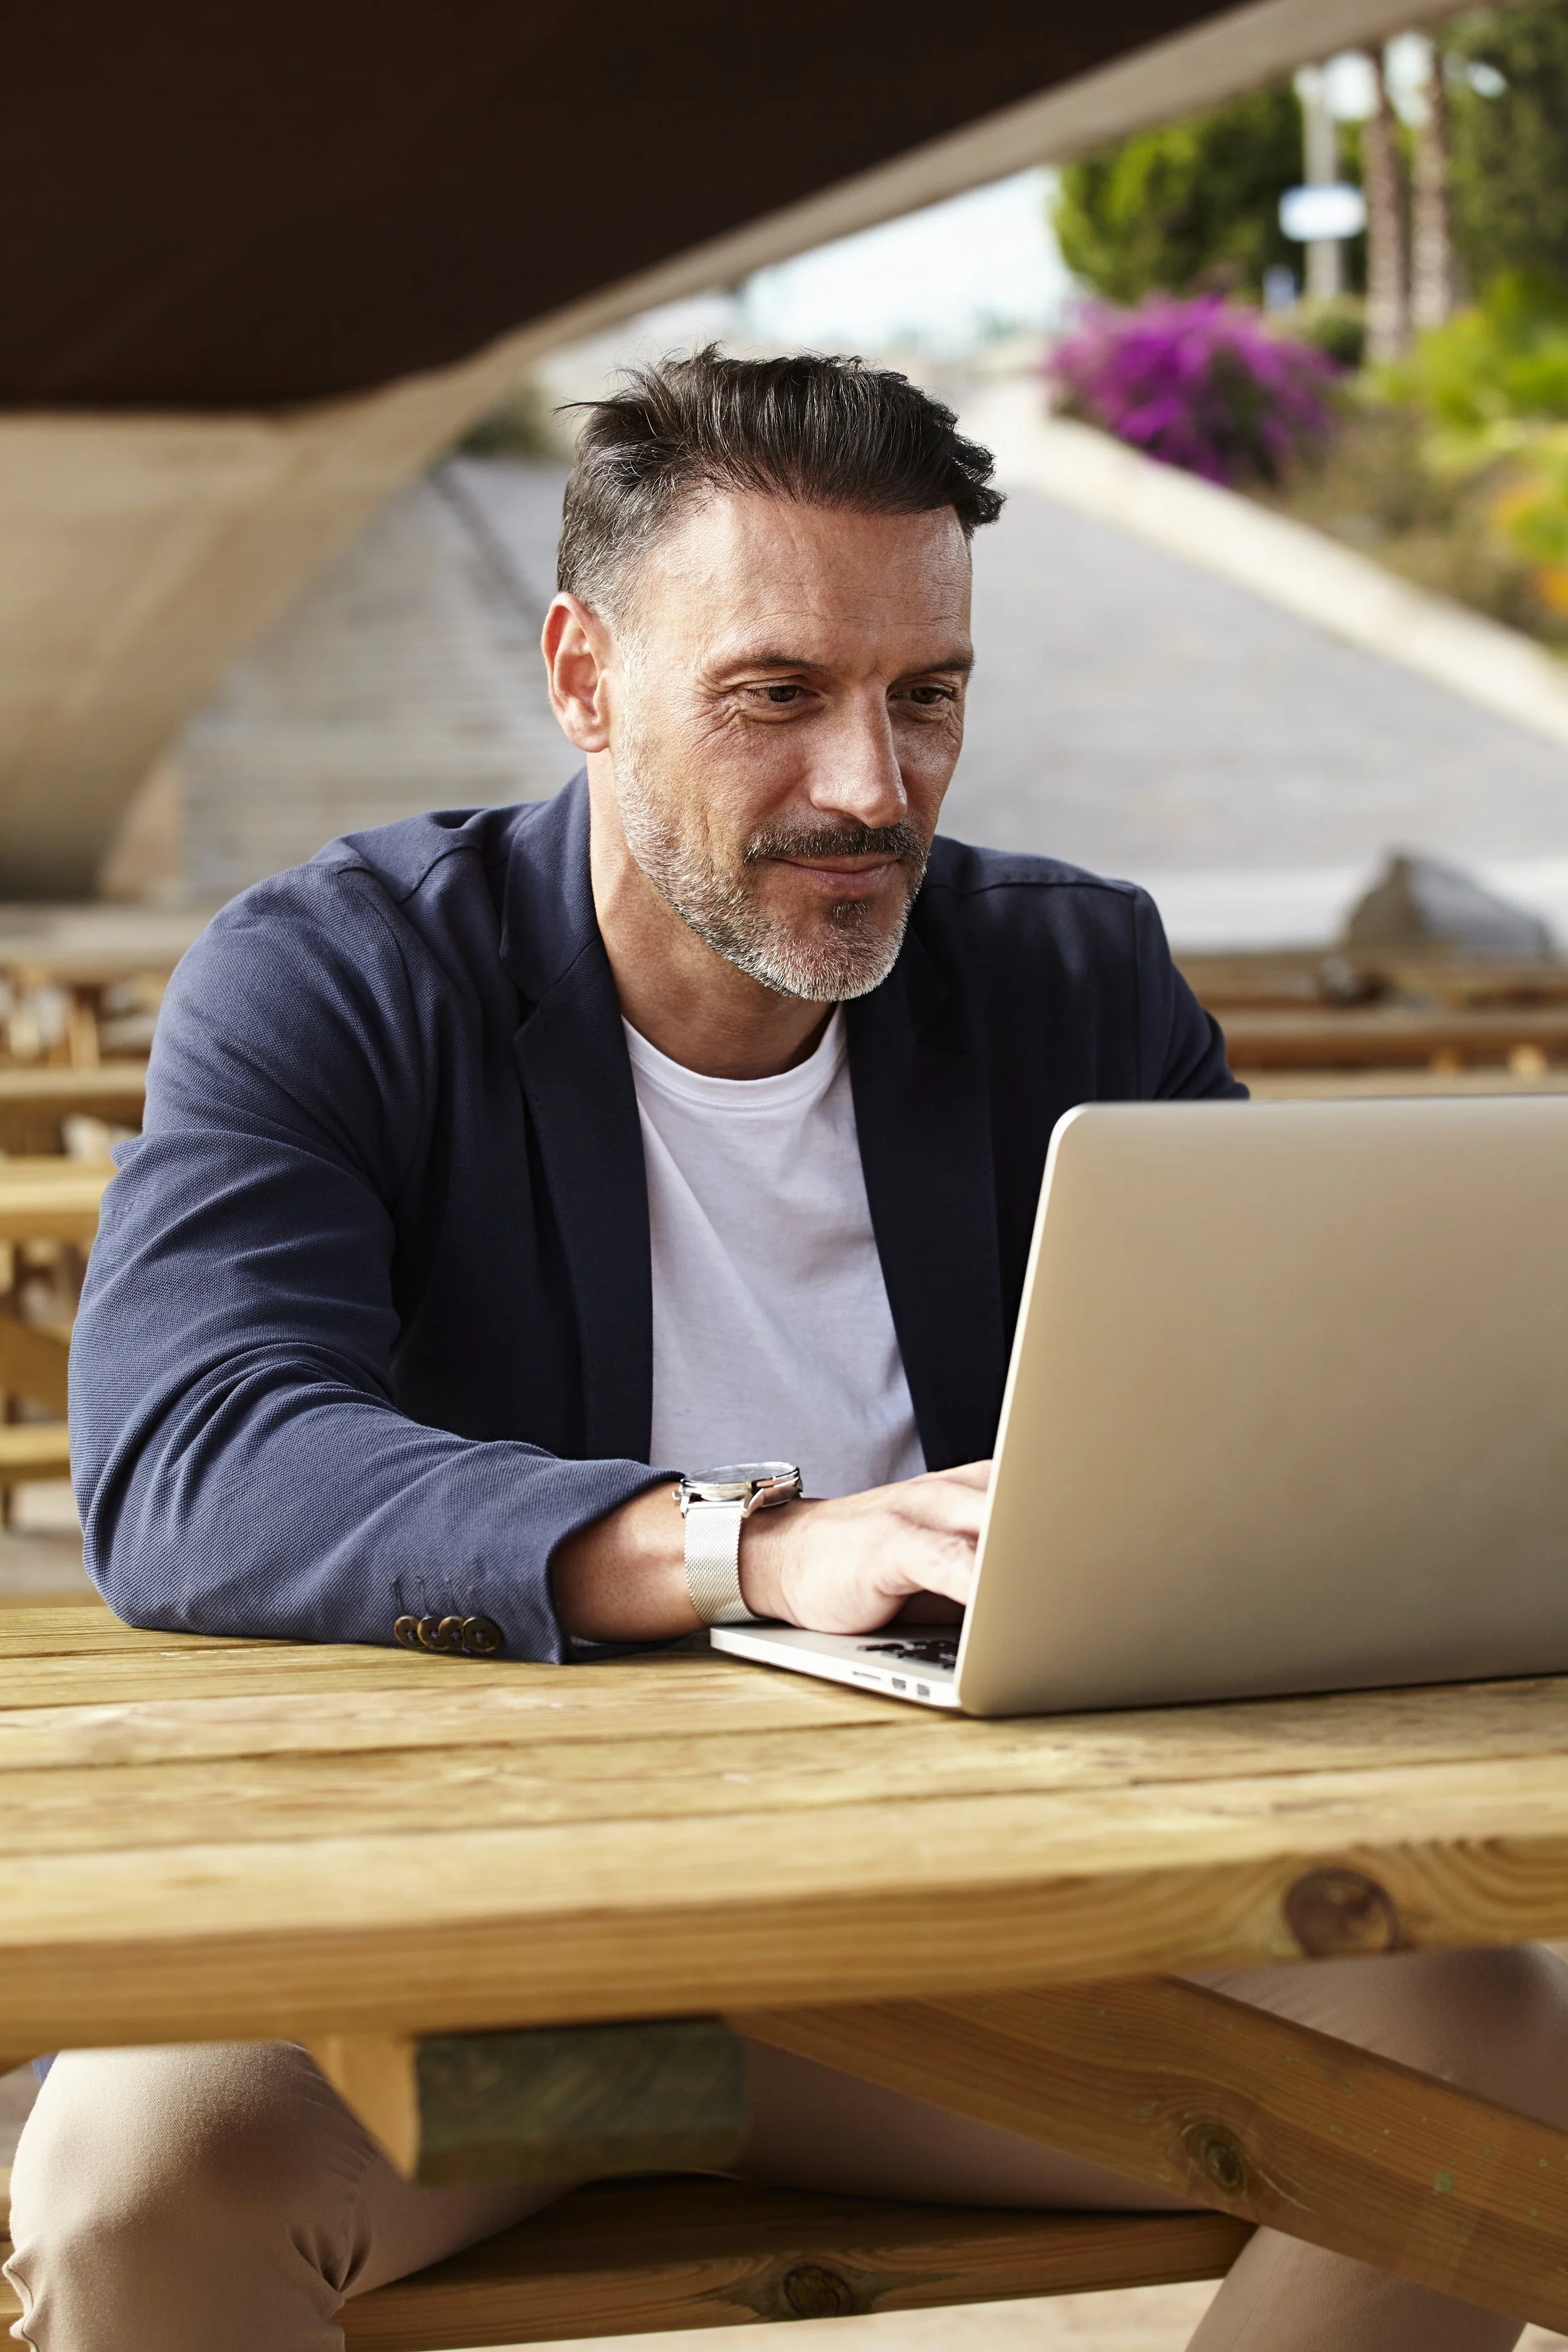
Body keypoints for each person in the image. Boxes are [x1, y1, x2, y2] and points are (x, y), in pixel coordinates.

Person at [8, 350, 1568, 2352]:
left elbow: (1275, 1448)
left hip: (971, 1942)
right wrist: (741, 1541)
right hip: (480, 1967)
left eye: (926, 696)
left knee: (1495, 2054)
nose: (870, 784)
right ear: (581, 678)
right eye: (776, 694)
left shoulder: (1072, 976)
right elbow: (189, 1450)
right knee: (135, 2189)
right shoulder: (336, 973)